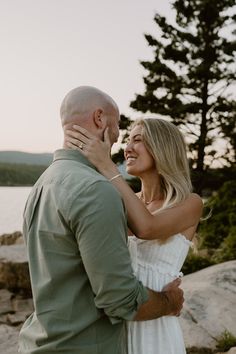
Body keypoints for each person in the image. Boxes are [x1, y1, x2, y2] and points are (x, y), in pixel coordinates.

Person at [18, 86, 185, 354]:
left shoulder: (43, 184)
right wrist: (169, 302)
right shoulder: (96, 190)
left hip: (41, 342)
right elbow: (120, 299)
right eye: (119, 126)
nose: (121, 141)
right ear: (100, 119)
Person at [65, 117, 203, 354]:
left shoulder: (190, 203)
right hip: (116, 325)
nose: (127, 148)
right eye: (128, 140)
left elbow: (146, 228)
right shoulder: (124, 201)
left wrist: (107, 166)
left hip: (156, 329)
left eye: (137, 140)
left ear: (162, 148)